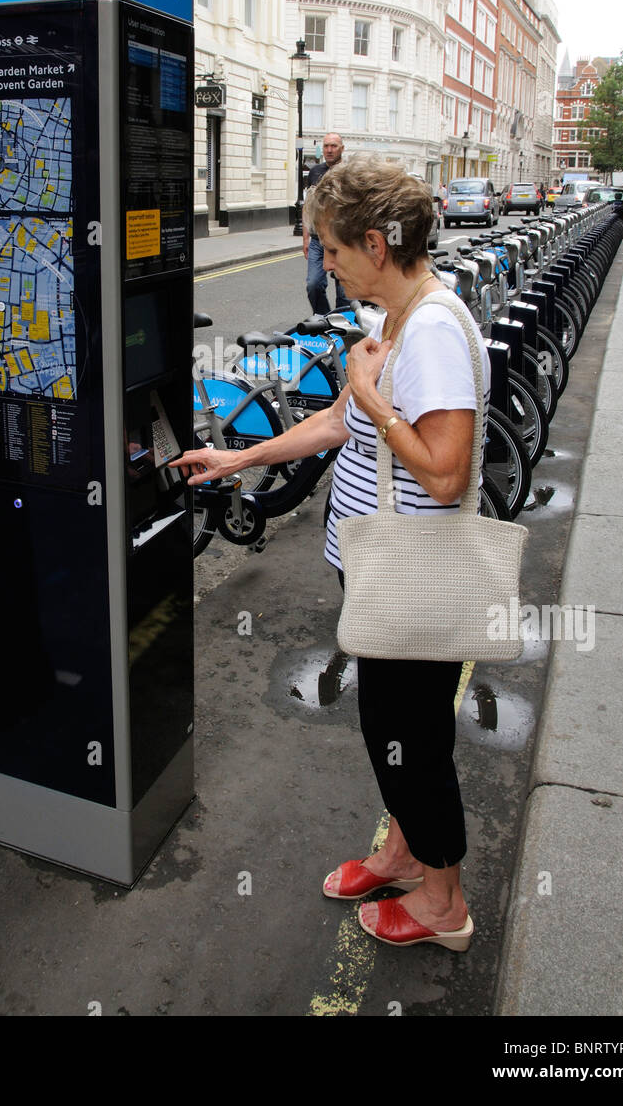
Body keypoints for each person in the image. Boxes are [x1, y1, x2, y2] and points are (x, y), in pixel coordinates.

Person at [172, 156, 490, 952]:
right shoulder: (394, 320)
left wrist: (374, 397)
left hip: (414, 576)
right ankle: (403, 850)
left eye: (330, 248)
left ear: (375, 244)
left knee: (412, 735)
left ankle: (441, 904)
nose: (324, 263)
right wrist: (238, 461)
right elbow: (335, 426)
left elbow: (445, 475)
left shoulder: (434, 335)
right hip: (382, 569)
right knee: (389, 724)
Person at [302, 133, 349, 314]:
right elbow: (308, 206)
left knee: (344, 290)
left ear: (342, 149)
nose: (329, 150)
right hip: (317, 240)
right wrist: (305, 238)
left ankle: (343, 327)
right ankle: (324, 319)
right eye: (326, 146)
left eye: (334, 146)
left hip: (342, 241)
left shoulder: (349, 172)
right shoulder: (315, 172)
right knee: (313, 285)